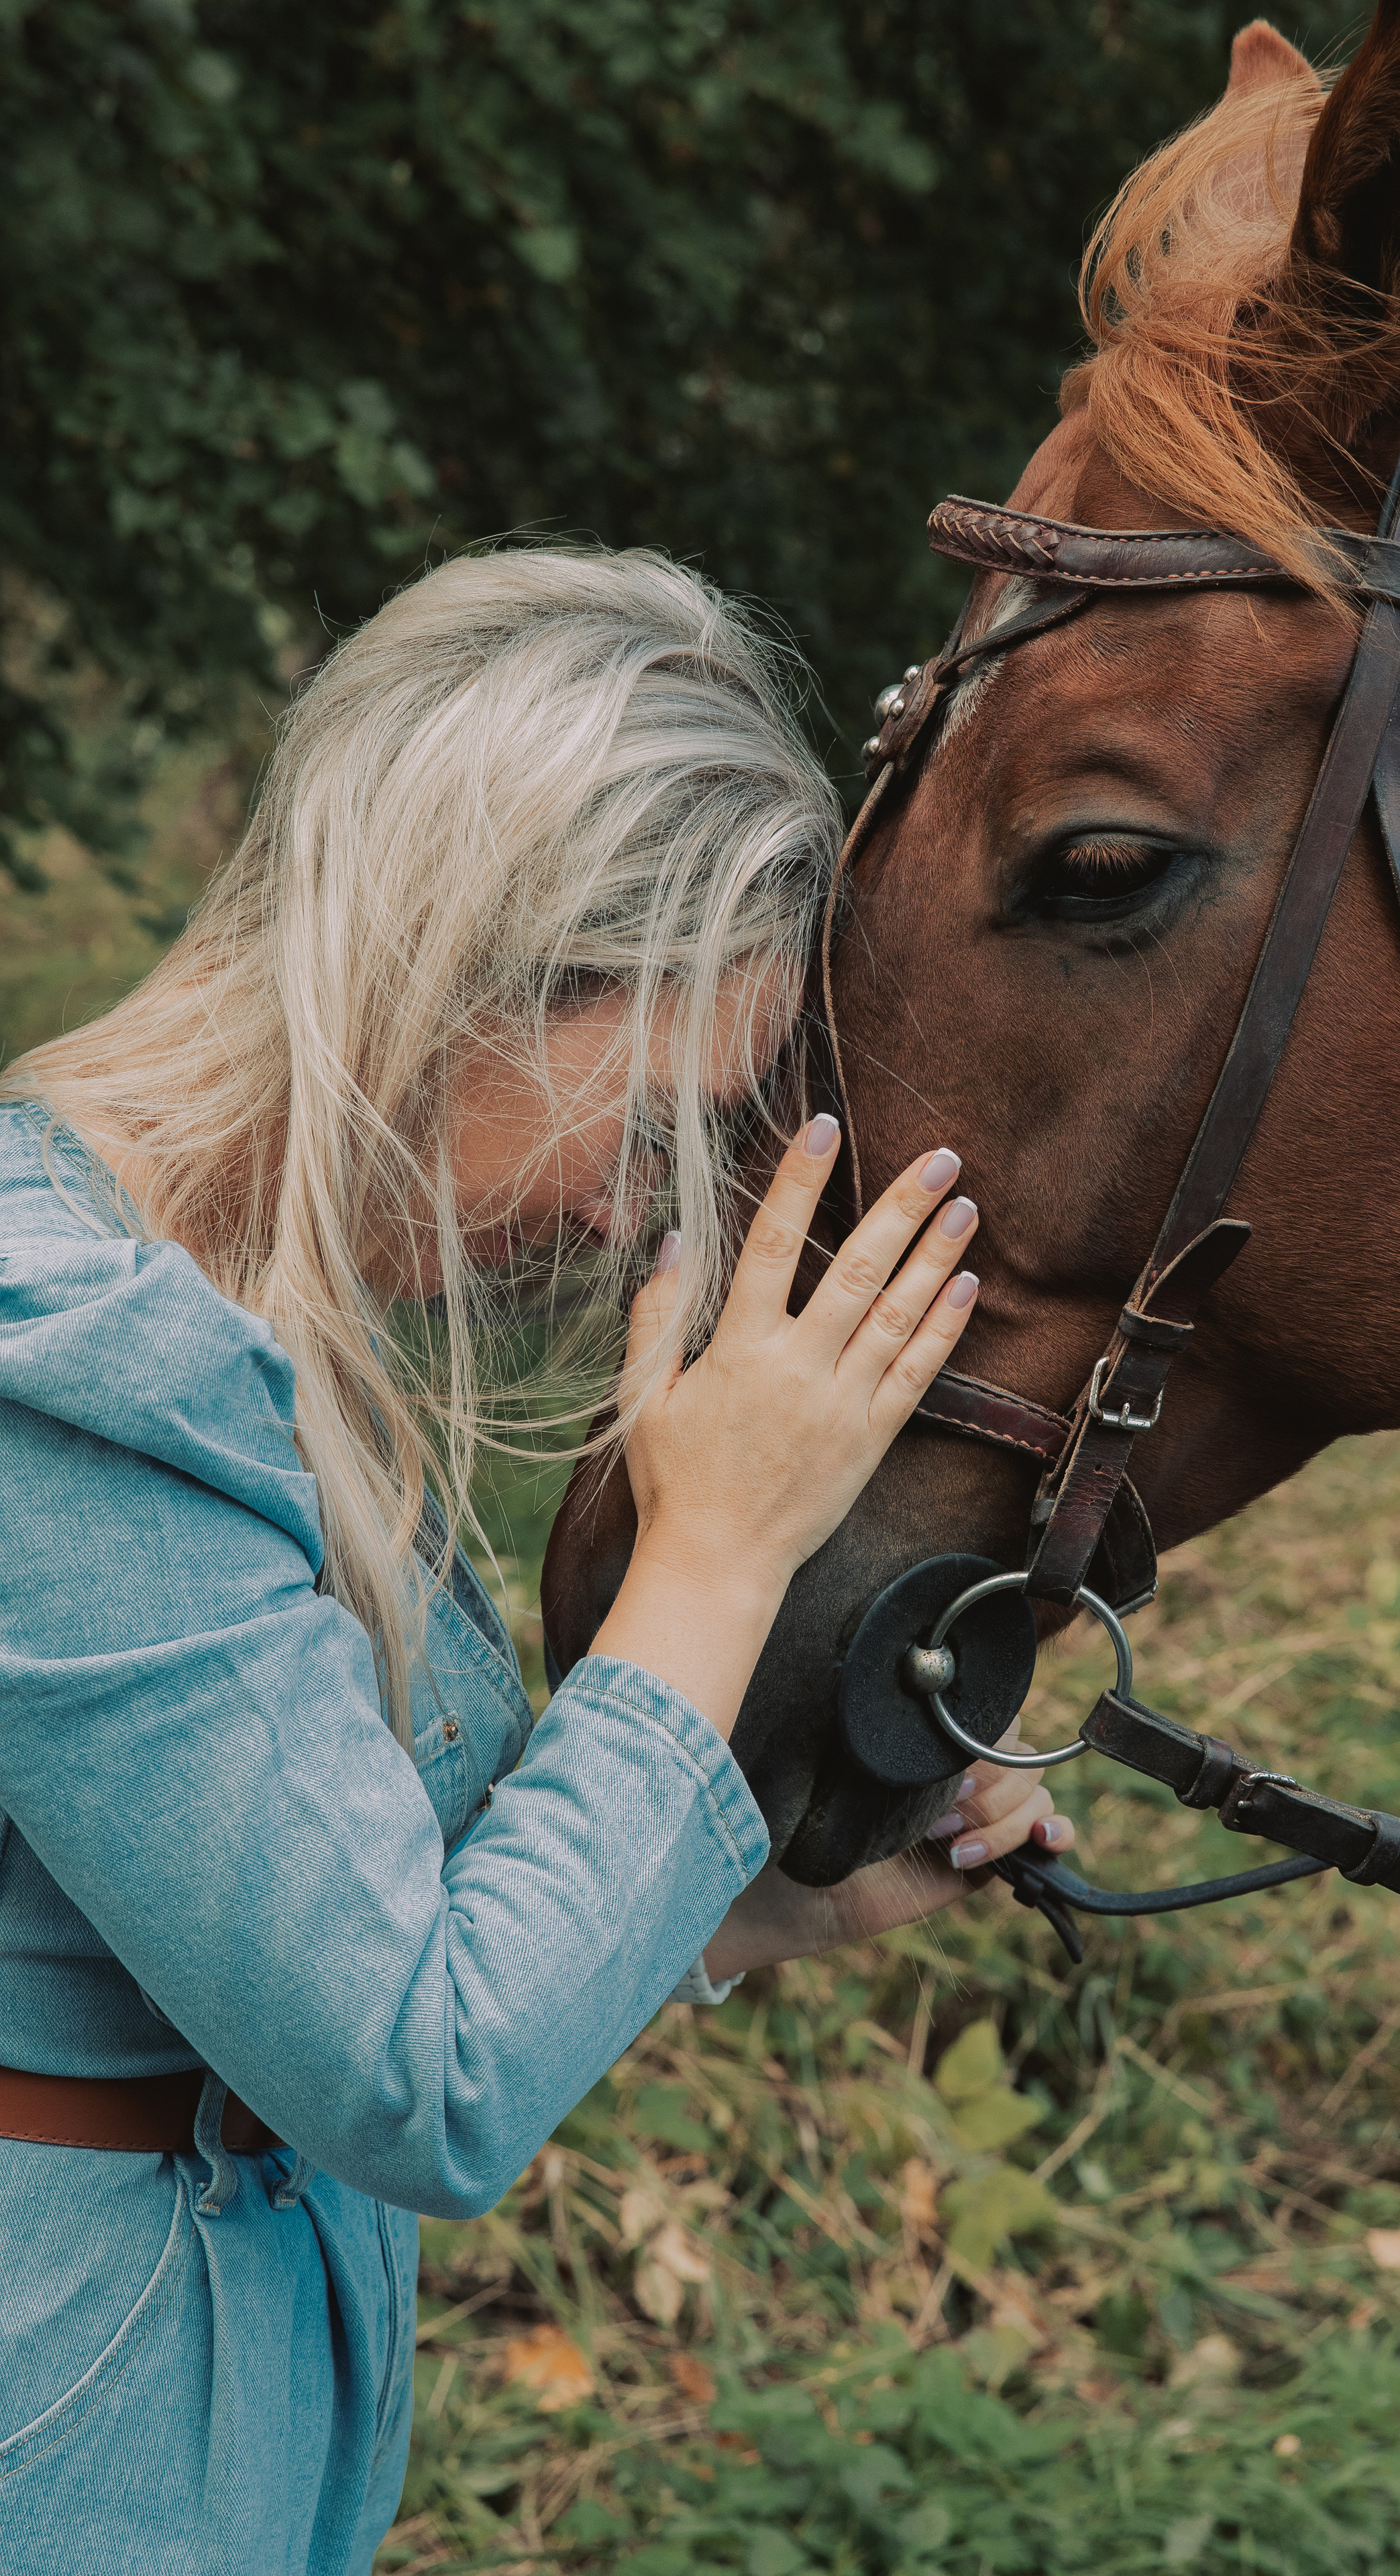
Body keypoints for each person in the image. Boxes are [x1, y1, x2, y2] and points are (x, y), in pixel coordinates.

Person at [0, 547, 1075, 2574]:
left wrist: (768, 1916)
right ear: (469, 965)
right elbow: (423, 2073)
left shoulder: (275, 1350)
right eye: (654, 1118)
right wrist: (726, 1545)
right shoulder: (60, 1369)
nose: (634, 1217)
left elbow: (368, 1931)